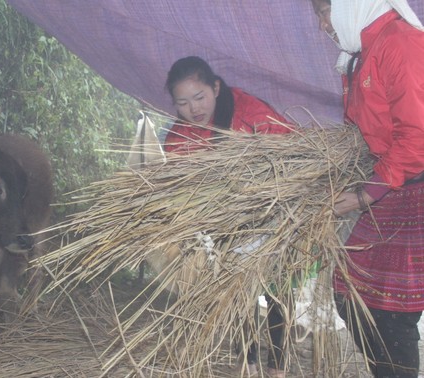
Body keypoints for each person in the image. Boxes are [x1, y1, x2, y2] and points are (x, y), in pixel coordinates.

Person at [312, 1, 424, 377]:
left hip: (415, 189)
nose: (324, 23)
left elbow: (417, 140)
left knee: (393, 313)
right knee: (349, 294)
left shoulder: (401, 43)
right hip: (392, 186)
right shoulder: (359, 52)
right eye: (318, 14)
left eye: (327, 9)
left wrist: (362, 196)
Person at [163, 56, 292, 377]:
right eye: (183, 103)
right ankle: (246, 360)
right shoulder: (179, 138)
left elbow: (291, 152)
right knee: (237, 290)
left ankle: (277, 366)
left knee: (277, 289)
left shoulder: (250, 114)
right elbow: (175, 190)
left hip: (273, 213)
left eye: (200, 97)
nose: (193, 109)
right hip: (223, 227)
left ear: (216, 87)